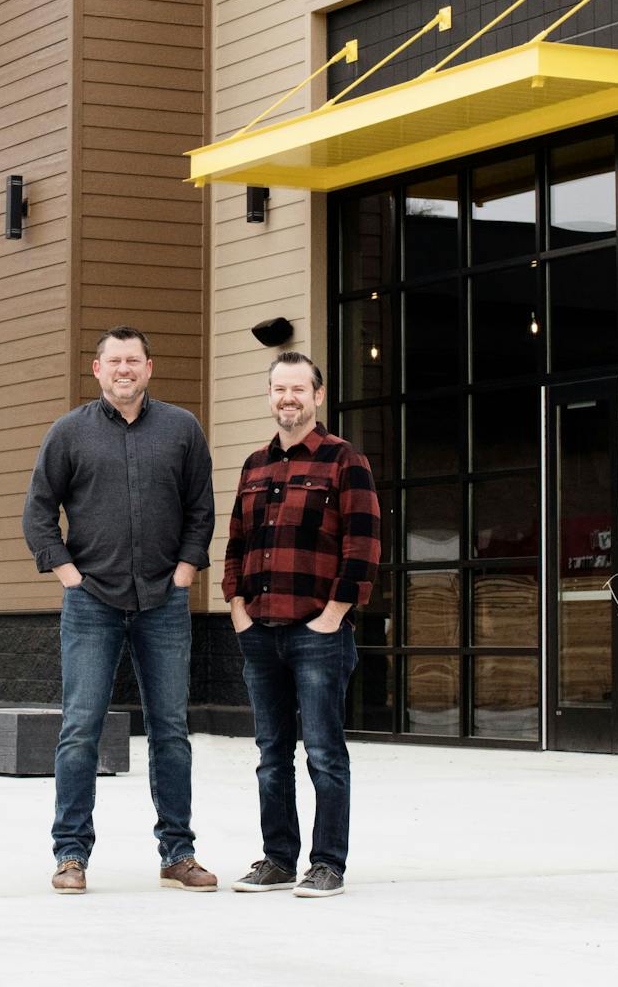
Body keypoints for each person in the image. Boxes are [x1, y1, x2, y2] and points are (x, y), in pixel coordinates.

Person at [22, 326, 218, 895]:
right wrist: (68, 575)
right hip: (92, 604)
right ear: (97, 368)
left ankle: (178, 853)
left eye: (134, 360)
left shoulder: (182, 429)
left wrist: (184, 572)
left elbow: (200, 510)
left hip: (164, 601)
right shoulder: (69, 433)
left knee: (171, 731)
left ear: (149, 368)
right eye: (115, 361)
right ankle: (70, 855)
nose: (124, 369)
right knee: (80, 729)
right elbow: (38, 512)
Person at [222, 350, 380, 899]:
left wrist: (333, 616)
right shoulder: (254, 466)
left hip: (318, 632)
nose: (287, 398)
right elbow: (237, 544)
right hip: (260, 632)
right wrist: (237, 608)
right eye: (278, 390)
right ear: (270, 397)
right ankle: (277, 859)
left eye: (298, 390)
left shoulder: (345, 461)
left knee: (324, 753)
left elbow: (363, 548)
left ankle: (327, 863)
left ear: (316, 396)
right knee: (271, 756)